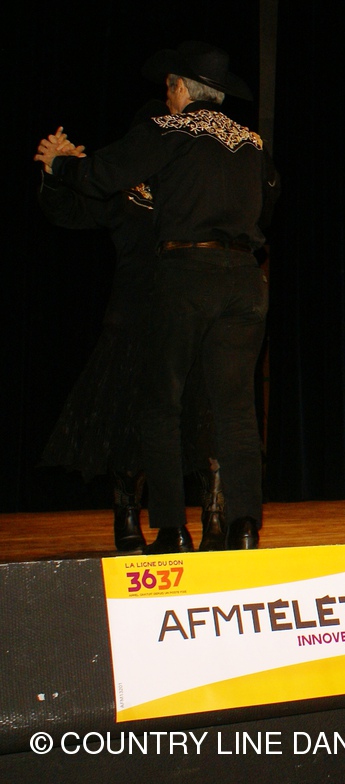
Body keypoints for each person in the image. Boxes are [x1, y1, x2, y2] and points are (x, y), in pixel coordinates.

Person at [42, 41, 280, 552]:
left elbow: (104, 174)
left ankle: (171, 529)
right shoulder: (253, 142)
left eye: (168, 87)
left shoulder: (168, 130)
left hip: (187, 274)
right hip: (244, 278)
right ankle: (244, 526)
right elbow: (267, 205)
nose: (166, 96)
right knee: (236, 409)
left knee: (161, 404)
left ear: (179, 89)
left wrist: (59, 166)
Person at [34, 109, 223, 551]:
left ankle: (216, 515)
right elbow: (68, 211)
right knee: (129, 419)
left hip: (194, 316)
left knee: (207, 417)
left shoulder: (197, 184)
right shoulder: (127, 194)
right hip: (137, 318)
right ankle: (127, 514)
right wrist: (57, 172)